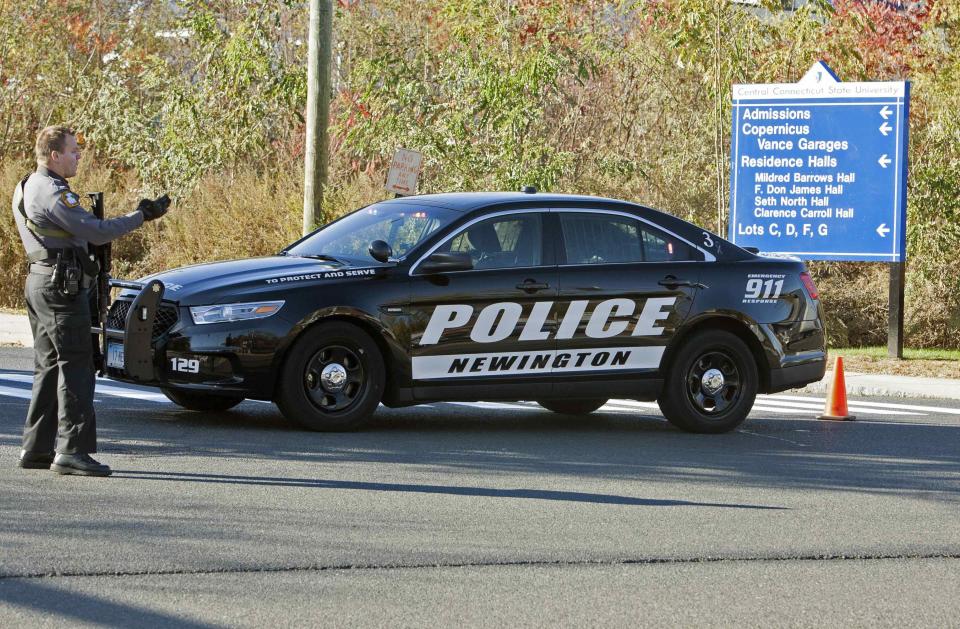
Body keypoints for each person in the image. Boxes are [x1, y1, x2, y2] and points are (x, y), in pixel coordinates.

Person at [11, 125, 170, 477]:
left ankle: (36, 448)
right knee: (78, 365)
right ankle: (72, 451)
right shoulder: (54, 192)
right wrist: (141, 215)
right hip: (60, 289)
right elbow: (96, 232)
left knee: (49, 365)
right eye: (72, 151)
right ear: (54, 155)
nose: (78, 156)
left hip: (41, 280)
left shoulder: (25, 185)